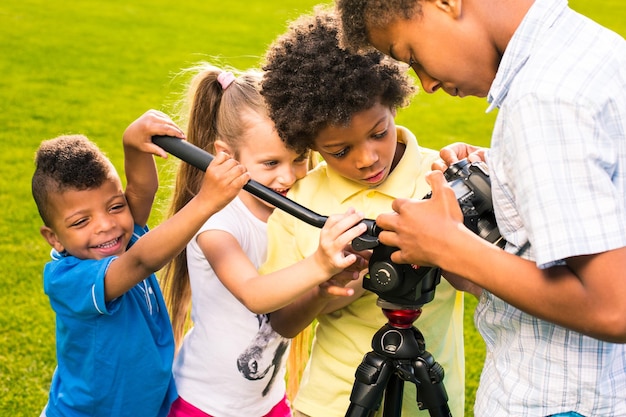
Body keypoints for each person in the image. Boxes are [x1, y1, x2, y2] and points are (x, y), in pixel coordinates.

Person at [335, 0, 626, 415]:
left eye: (412, 57)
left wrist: (449, 247)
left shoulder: (543, 99)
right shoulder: (592, 50)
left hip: (557, 399)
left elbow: (613, 308)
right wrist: (510, 168)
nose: (427, 83)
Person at [259, 8, 464, 417]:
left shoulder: (438, 178)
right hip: (330, 404)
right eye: (340, 151)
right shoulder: (300, 203)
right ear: (310, 143)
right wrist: (324, 281)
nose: (368, 158)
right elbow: (282, 324)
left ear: (394, 104)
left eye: (379, 133)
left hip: (430, 402)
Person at [159, 63, 368, 417]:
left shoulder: (294, 215)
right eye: (270, 163)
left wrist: (336, 281)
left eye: (299, 158)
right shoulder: (217, 223)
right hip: (204, 404)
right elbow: (255, 295)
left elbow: (295, 315)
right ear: (226, 156)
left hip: (269, 403)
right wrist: (319, 264)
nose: (288, 176)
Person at [32, 110, 250, 417]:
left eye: (115, 206)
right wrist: (206, 201)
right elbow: (141, 263)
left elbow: (140, 190)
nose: (106, 225)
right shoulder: (69, 279)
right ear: (53, 238)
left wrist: (133, 145)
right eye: (81, 221)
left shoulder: (121, 238)